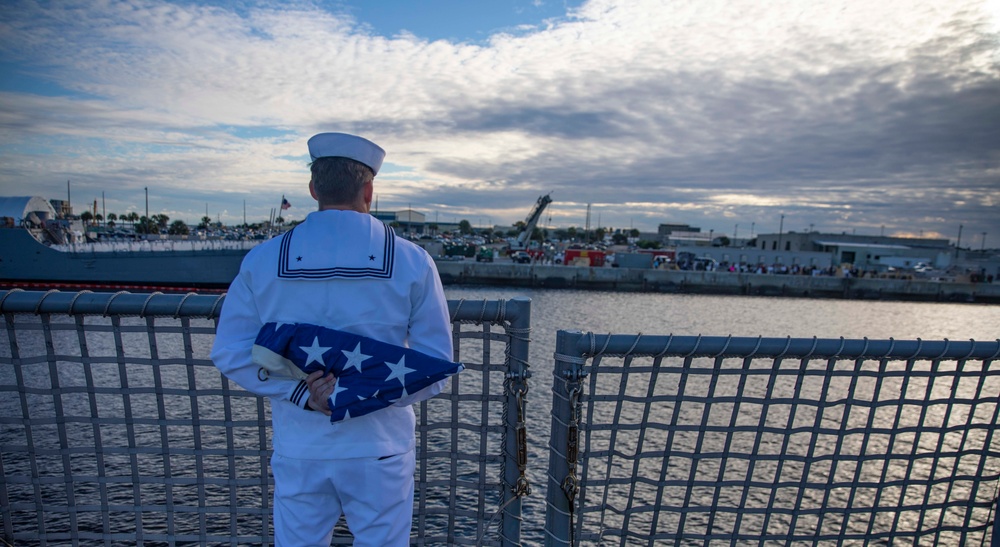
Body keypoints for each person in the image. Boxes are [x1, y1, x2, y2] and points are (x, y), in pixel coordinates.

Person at [210, 132, 454, 546]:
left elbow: (230, 352)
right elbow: (436, 369)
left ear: (313, 189)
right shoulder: (413, 261)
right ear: (369, 190)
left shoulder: (263, 259)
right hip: (380, 447)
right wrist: (352, 395)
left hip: (301, 444)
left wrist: (306, 396)